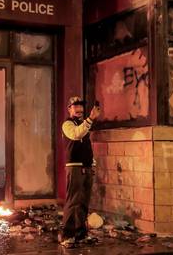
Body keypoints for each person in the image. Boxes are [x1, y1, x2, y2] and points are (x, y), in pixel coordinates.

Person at [59, 96, 101, 247]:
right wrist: (90, 119)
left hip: (87, 167)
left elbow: (87, 146)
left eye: (80, 106)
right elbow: (77, 134)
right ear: (69, 109)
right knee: (73, 202)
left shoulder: (84, 125)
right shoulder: (67, 124)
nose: (78, 109)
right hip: (75, 167)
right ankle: (67, 236)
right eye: (75, 106)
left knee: (83, 202)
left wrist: (92, 164)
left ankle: (80, 234)